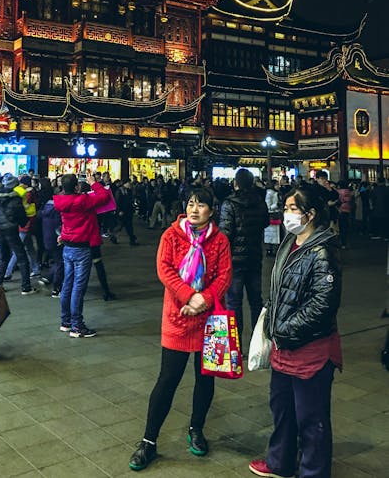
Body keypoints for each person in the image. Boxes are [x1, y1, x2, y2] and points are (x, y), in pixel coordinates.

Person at [128, 187, 232, 472]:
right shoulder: (171, 235)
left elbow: (224, 275)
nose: (194, 209)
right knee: (167, 379)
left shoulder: (220, 240)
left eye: (201, 205)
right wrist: (190, 296)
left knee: (205, 378)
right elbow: (164, 270)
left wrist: (205, 299)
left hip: (210, 321)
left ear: (212, 210)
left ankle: (196, 428)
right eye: (191, 204)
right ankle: (148, 441)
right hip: (177, 318)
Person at [249, 184, 342, 478]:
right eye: (286, 208)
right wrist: (272, 318)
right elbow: (279, 288)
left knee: (311, 418)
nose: (287, 214)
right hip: (283, 346)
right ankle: (280, 462)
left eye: (293, 209)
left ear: (310, 214)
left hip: (310, 348)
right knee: (283, 409)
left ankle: (313, 472)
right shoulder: (290, 242)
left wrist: (285, 328)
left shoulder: (323, 251)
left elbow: (323, 304)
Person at [53, 170, 110, 337]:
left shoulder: (60, 201)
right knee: (79, 286)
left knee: (67, 284)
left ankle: (66, 321)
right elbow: (104, 196)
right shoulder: (83, 200)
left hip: (67, 247)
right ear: (77, 186)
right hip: (82, 247)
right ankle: (77, 326)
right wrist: (93, 182)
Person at [219, 168, 269, 344]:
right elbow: (266, 222)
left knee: (234, 303)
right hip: (254, 257)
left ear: (236, 183)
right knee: (256, 301)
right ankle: (258, 343)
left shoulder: (229, 203)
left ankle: (235, 345)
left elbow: (225, 233)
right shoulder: (260, 201)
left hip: (234, 260)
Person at [0, 173, 34, 295]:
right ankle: (26, 287)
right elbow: (21, 216)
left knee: (3, 256)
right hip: (11, 229)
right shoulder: (15, 197)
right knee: (22, 256)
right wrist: (23, 222)